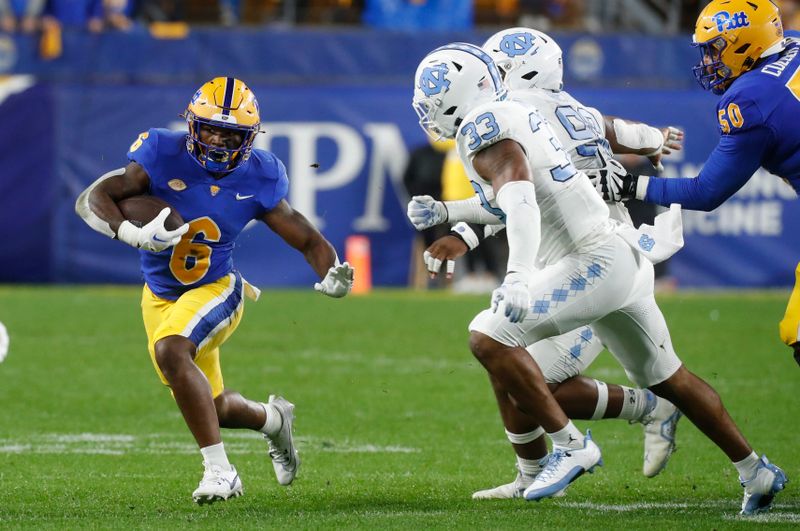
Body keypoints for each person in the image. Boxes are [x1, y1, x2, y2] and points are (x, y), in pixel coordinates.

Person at [410, 42, 785, 514]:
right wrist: (450, 214)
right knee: (670, 378)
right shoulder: (533, 111)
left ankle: (570, 448)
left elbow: (521, 199)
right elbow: (526, 188)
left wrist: (518, 275)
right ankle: (757, 470)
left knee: (489, 338)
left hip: (589, 260)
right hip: (618, 252)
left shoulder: (489, 123)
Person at [412, 27, 685, 499]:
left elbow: (524, 199)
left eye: (500, 68)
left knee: (514, 359)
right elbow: (612, 133)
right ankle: (536, 470)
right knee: (509, 363)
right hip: (576, 253)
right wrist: (655, 140)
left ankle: (641, 412)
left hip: (595, 260)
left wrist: (507, 267)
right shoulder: (550, 111)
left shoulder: (507, 118)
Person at [75, 77, 354, 504]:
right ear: (191, 125)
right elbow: (94, 198)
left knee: (172, 350)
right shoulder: (160, 153)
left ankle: (221, 472)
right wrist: (129, 232)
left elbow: (306, 238)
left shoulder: (259, 175)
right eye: (210, 128)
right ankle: (273, 419)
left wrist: (331, 269)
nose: (219, 140)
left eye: (232, 133)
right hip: (160, 294)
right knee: (214, 405)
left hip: (218, 288)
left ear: (250, 138)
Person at [610, 0, 800, 371]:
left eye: (715, 48)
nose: (709, 60)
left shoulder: (751, 98)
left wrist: (629, 186)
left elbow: (706, 192)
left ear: (745, 42)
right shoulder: (792, 44)